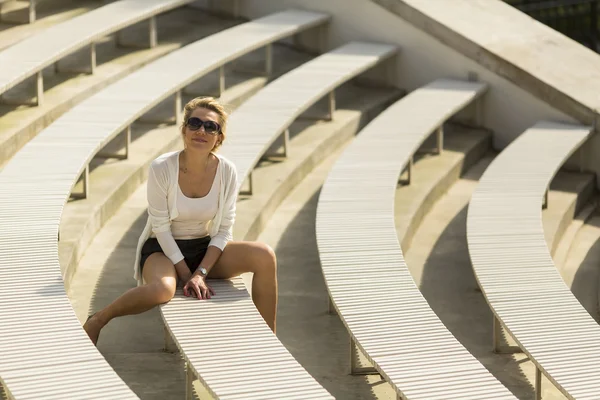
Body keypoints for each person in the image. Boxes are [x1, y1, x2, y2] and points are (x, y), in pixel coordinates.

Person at [83, 97, 278, 345]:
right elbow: (161, 228)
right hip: (162, 250)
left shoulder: (226, 171)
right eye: (194, 123)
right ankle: (99, 319)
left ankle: (269, 341)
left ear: (219, 137)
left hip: (203, 247)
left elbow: (224, 229)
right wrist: (188, 274)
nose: (201, 131)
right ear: (184, 129)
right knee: (163, 289)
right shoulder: (162, 167)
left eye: (210, 127)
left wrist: (202, 272)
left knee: (264, 255)